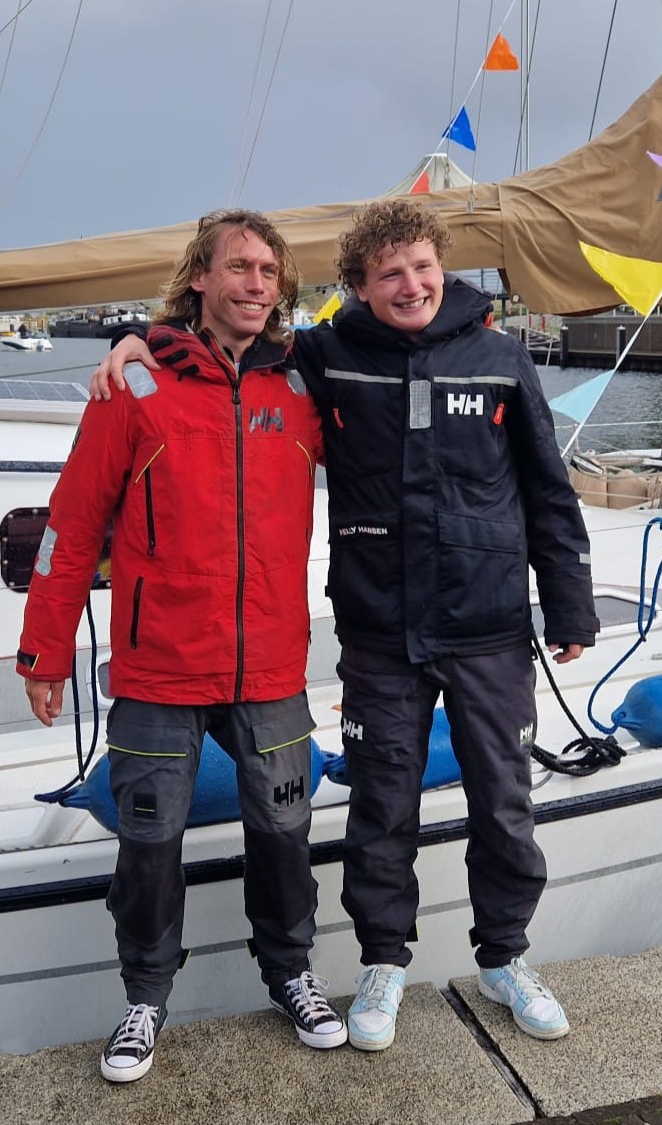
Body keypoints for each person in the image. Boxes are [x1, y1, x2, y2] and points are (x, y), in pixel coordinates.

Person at [97, 198, 599, 1052]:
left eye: (422, 267)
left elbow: (550, 491)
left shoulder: (504, 358)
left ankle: (506, 957)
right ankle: (383, 963)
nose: (410, 284)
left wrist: (571, 601)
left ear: (444, 267)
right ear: (359, 288)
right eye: (389, 273)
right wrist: (138, 338)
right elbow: (226, 344)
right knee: (381, 807)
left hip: (487, 629)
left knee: (506, 806)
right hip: (379, 630)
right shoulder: (325, 357)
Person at [18, 209, 342, 1083]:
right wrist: (44, 648)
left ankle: (292, 972)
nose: (255, 284)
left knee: (283, 824)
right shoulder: (136, 386)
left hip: (270, 661)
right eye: (238, 267)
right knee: (150, 838)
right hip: (160, 665)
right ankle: (145, 996)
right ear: (200, 276)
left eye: (270, 271)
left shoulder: (303, 388)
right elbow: (71, 527)